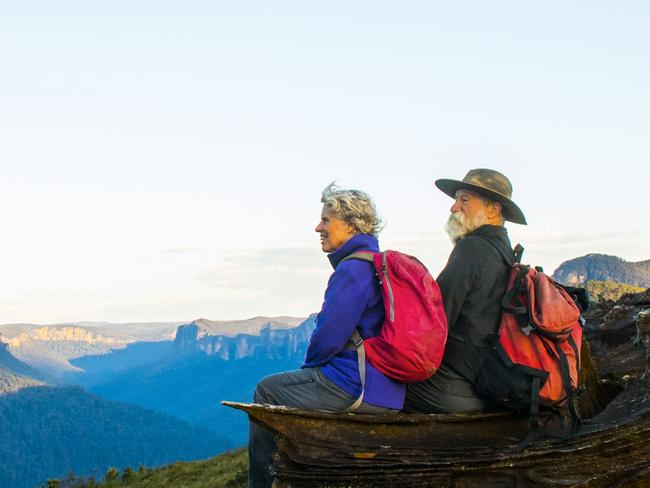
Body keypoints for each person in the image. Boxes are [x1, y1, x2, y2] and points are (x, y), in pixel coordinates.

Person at [248, 183, 405, 488]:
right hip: (388, 389)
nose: (318, 227)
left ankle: (262, 485)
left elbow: (328, 338)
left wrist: (309, 371)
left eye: (326, 220)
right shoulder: (377, 265)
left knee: (266, 391)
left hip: (356, 386)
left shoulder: (352, 271)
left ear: (350, 224)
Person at [403, 168, 527, 414]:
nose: (454, 208)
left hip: (452, 386)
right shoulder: (505, 253)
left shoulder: (472, 248)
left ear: (493, 210)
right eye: (455, 200)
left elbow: (436, 318)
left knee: (372, 387)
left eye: (464, 200)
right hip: (485, 381)